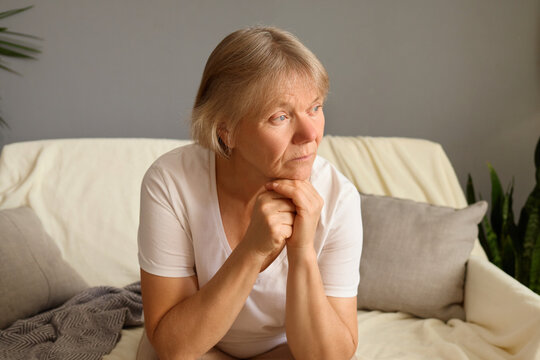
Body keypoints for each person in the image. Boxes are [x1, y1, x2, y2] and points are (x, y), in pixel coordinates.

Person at [136, 26, 362, 360]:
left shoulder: (339, 198)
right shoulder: (171, 182)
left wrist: (301, 251)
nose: (311, 133)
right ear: (226, 131)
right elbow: (174, 347)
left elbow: (329, 357)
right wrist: (252, 252)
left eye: (315, 107)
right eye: (280, 116)